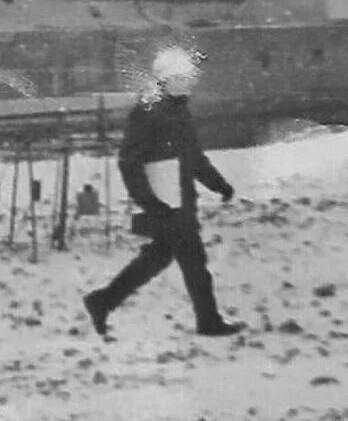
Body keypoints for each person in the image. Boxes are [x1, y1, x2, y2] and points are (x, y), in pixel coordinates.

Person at [82, 56, 244, 338]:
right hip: (165, 205)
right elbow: (129, 161)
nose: (189, 84)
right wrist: (149, 201)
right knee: (193, 261)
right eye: (183, 79)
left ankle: (103, 301)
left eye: (189, 79)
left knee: (157, 258)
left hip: (179, 201)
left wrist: (219, 185)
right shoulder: (149, 112)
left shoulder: (178, 111)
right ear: (166, 81)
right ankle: (208, 322)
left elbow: (193, 159)